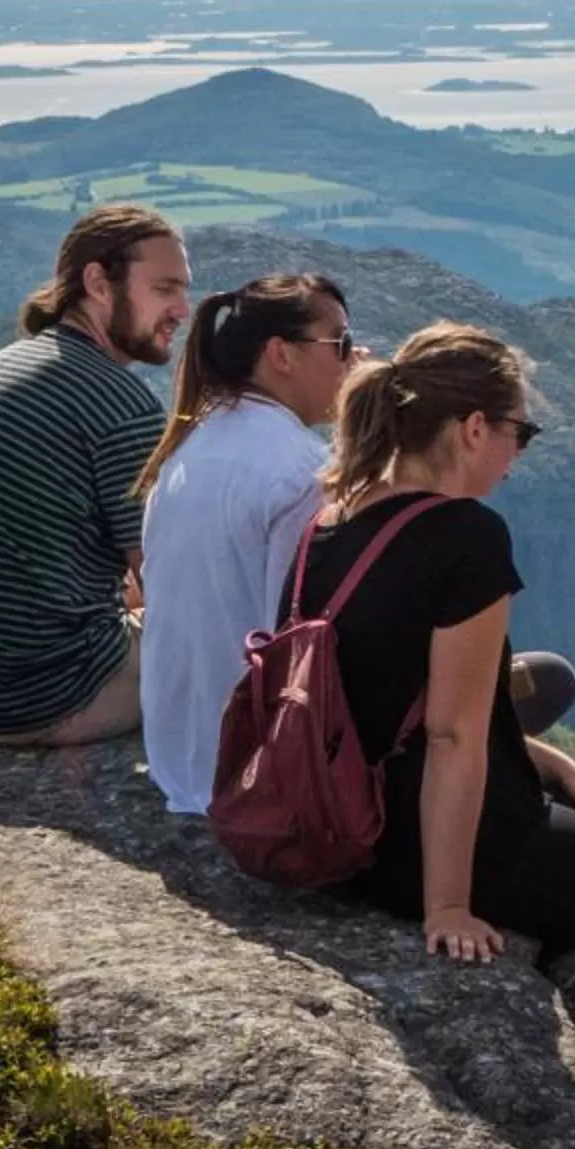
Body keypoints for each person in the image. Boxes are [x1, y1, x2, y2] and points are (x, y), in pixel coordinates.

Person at [293, 319, 575, 972]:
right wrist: (447, 905)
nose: (517, 455)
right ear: (474, 428)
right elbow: (450, 736)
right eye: (519, 434)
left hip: (357, 818)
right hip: (453, 843)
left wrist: (560, 769)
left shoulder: (333, 520)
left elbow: (393, 698)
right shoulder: (464, 536)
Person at [0, 204, 190, 746]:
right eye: (165, 288)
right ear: (98, 283)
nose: (182, 309)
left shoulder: (6, 366)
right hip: (44, 696)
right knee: (236, 645)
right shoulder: (118, 404)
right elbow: (171, 580)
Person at [132, 272, 361, 813]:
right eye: (341, 344)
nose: (351, 362)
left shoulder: (188, 453)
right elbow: (310, 639)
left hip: (179, 761)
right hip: (256, 774)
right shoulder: (302, 472)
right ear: (281, 354)